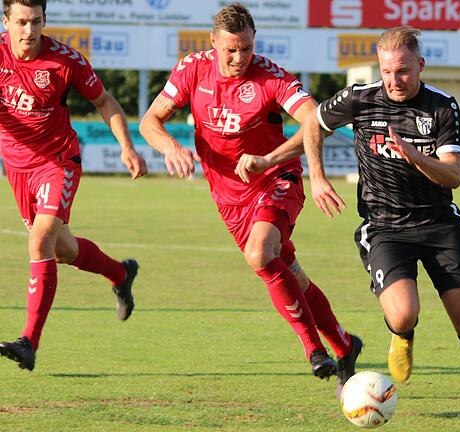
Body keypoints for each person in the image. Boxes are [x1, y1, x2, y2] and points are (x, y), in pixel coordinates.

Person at [138, 3, 362, 394]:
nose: (239, 57)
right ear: (213, 43)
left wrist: (318, 177)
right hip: (229, 199)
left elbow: (314, 119)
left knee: (260, 252)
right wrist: (170, 147)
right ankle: (344, 345)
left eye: (246, 48)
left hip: (277, 180)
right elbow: (149, 121)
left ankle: (314, 350)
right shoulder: (192, 69)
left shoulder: (270, 76)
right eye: (230, 49)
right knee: (290, 274)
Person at [304, 26, 460, 428]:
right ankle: (404, 335)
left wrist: (415, 156)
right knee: (402, 315)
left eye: (403, 71)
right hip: (384, 225)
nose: (394, 81)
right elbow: (313, 121)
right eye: (387, 72)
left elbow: (454, 176)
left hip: (438, 222)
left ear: (420, 65)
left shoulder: (441, 106)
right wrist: (317, 176)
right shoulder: (361, 98)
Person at [0, 0, 147, 371]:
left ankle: (28, 342)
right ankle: (120, 273)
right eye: (20, 22)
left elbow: (105, 101)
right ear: (6, 22)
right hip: (17, 168)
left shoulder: (66, 61)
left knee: (40, 239)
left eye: (36, 22)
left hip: (58, 162)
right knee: (62, 249)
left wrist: (127, 147)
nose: (28, 31)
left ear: (44, 20)